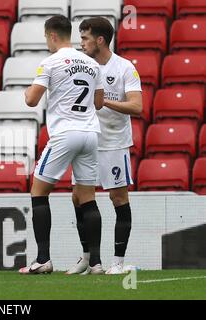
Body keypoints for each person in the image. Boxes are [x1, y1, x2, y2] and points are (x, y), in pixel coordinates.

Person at [18, 15, 105, 275]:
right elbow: (98, 103)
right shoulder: (92, 64)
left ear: (52, 36)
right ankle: (97, 263)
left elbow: (32, 101)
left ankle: (43, 258)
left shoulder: (51, 62)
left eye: (46, 38)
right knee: (87, 198)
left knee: (39, 191)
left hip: (65, 133)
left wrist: (26, 91)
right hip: (90, 133)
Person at [67, 17, 142, 275]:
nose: (81, 42)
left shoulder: (124, 68)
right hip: (87, 142)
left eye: (85, 37)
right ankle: (88, 259)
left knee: (118, 197)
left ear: (100, 40)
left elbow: (137, 106)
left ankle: (117, 262)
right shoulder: (82, 67)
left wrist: (104, 102)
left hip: (114, 143)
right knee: (78, 198)